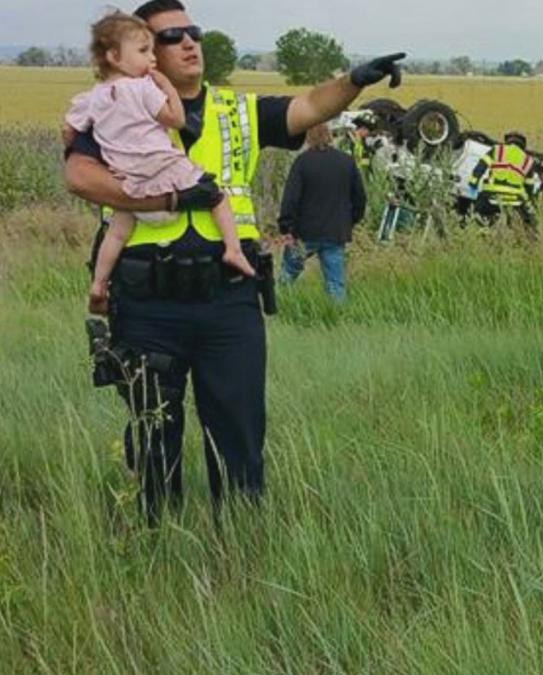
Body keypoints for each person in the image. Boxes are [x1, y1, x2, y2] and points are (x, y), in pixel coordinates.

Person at [63, 0, 404, 523]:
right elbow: (81, 177)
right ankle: (153, 543)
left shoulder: (237, 111)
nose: (189, 42)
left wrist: (357, 80)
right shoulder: (116, 107)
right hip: (149, 301)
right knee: (153, 433)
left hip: (230, 298)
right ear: (145, 54)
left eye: (193, 31)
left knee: (240, 433)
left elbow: (310, 107)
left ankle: (240, 547)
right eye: (171, 36)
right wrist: (171, 201)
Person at [69, 12, 256, 317]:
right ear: (115, 56)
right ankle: (234, 250)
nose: (151, 59)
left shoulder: (93, 97)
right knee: (216, 195)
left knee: (116, 233)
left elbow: (70, 127)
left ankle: (99, 283)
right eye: (144, 52)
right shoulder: (144, 89)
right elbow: (176, 119)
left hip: (130, 185)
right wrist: (166, 86)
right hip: (163, 171)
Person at [278, 123, 366, 303]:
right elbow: (360, 198)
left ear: (308, 138)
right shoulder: (346, 162)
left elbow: (291, 199)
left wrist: (286, 227)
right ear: (329, 136)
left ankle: (278, 310)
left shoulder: (302, 162)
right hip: (336, 231)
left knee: (287, 275)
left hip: (304, 232)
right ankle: (336, 320)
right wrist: (350, 221)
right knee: (335, 283)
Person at [466, 131, 537, 224]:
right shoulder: (528, 160)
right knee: (517, 225)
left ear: (507, 141)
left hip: (491, 196)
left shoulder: (497, 150)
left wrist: (473, 184)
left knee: (477, 218)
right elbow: (529, 187)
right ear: (523, 145)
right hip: (514, 202)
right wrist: (528, 204)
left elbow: (480, 167)